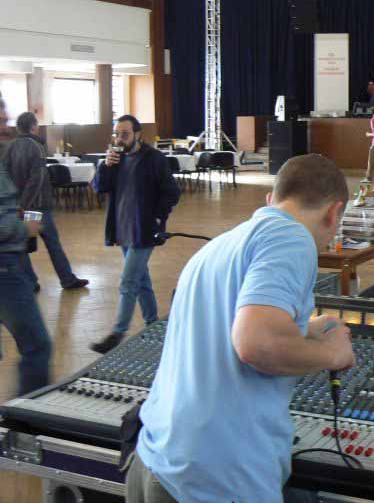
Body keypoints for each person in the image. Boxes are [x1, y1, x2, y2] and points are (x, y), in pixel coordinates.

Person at [130, 154, 356, 503]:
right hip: (215, 479)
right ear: (333, 212)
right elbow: (256, 343)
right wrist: (332, 353)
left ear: (271, 199)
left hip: (156, 461)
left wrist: (302, 330)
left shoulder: (220, 246)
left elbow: (224, 327)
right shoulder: (292, 238)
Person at [90, 115, 180, 354]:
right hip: (122, 229)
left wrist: (158, 218)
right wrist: (105, 166)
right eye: (117, 134)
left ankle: (117, 333)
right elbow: (99, 187)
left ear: (138, 134)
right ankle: (153, 325)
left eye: (125, 134)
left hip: (144, 229)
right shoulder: (115, 159)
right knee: (141, 280)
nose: (119, 139)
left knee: (128, 281)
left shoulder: (154, 159)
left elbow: (172, 192)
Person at [4, 112, 89, 293]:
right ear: (33, 126)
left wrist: (18, 204)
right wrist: (25, 205)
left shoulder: (10, 147)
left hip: (21, 205)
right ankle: (67, 279)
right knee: (52, 243)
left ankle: (30, 281)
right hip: (37, 206)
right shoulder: (36, 147)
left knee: (23, 245)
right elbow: (37, 180)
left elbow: (7, 177)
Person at [0, 96, 51, 395]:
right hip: (5, 266)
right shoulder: (29, 147)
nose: (5, 126)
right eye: (0, 121)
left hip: (11, 260)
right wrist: (24, 226)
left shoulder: (5, 151)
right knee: (38, 346)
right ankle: (26, 416)